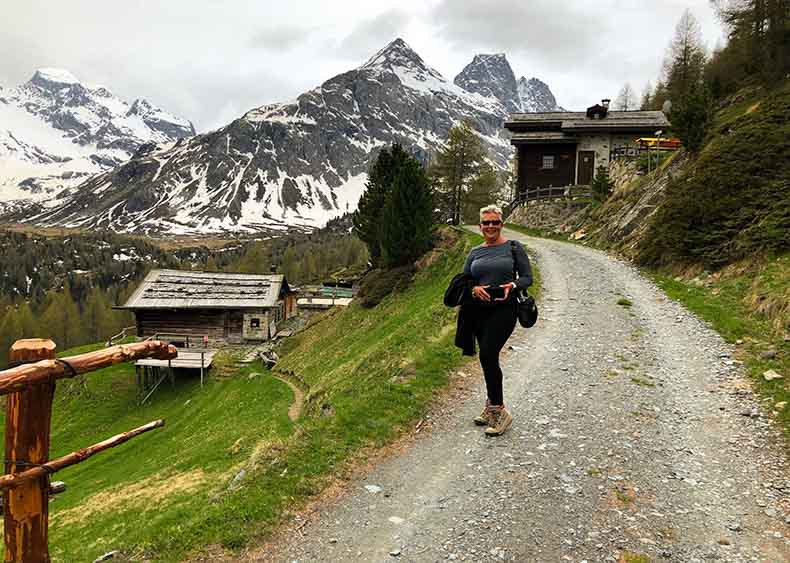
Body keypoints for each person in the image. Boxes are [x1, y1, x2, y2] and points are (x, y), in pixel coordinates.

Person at [463, 204, 532, 436]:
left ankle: (500, 412)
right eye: (486, 223)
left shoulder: (513, 247)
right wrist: (474, 289)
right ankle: (490, 406)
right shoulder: (474, 252)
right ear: (480, 226)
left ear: (501, 224)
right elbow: (465, 280)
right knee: (487, 359)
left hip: (505, 309)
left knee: (488, 354)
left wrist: (511, 285)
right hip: (478, 311)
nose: (491, 226)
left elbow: (527, 278)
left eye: (495, 222)